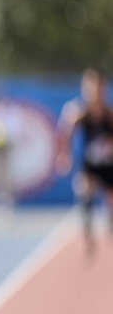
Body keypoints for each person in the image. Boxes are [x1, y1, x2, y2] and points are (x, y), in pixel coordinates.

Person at [56, 68, 113, 254]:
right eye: (90, 87)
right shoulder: (79, 111)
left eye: (98, 87)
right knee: (84, 189)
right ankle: (88, 232)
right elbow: (65, 131)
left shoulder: (108, 113)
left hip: (108, 163)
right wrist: (64, 155)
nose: (94, 92)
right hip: (89, 163)